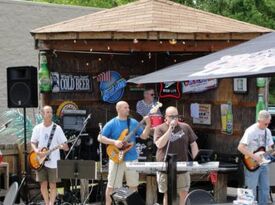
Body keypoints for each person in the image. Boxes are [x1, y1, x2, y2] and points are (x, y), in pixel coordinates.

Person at [98, 101, 151, 205]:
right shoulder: (112, 123)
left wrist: (148, 124)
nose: (128, 109)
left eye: (128, 107)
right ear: (118, 109)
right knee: (112, 186)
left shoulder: (133, 122)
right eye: (125, 108)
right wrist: (114, 142)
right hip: (116, 158)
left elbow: (144, 136)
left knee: (133, 186)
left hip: (131, 159)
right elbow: (100, 137)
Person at [154, 106, 199, 205]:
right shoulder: (159, 128)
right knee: (168, 194)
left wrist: (196, 159)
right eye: (171, 116)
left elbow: (193, 144)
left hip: (182, 165)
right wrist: (170, 128)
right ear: (166, 117)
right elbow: (159, 144)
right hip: (165, 166)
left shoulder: (185, 127)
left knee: (184, 193)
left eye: (176, 116)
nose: (174, 118)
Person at [31, 105, 69, 205]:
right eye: (47, 112)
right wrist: (36, 151)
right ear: (42, 114)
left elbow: (66, 146)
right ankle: (47, 203)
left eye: (51, 112)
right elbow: (33, 142)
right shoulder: (37, 128)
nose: (50, 114)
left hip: (54, 162)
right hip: (40, 160)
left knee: (53, 185)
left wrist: (63, 146)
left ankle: (51, 203)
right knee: (43, 184)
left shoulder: (57, 128)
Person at [238, 110, 274, 205]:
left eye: (268, 123)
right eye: (265, 123)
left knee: (265, 188)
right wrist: (254, 156)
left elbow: (270, 148)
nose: (267, 125)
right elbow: (240, 147)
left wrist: (271, 152)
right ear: (259, 121)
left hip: (263, 163)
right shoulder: (250, 131)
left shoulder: (268, 131)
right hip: (252, 163)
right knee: (251, 189)